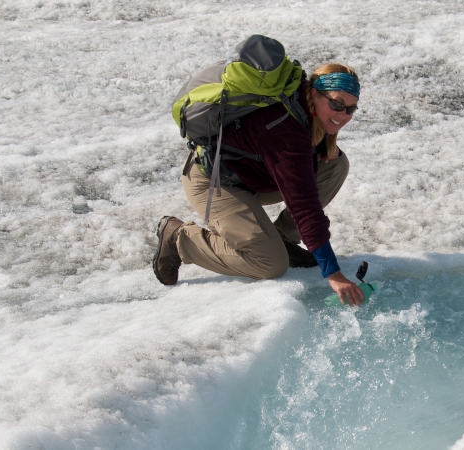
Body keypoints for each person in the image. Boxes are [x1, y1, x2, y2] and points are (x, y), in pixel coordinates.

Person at [153, 63, 365, 306]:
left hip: (252, 176)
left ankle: (282, 237)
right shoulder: (286, 131)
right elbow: (304, 206)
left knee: (336, 164)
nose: (343, 115)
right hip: (215, 183)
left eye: (350, 109)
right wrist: (333, 273)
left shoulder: (305, 109)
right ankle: (180, 238)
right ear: (314, 93)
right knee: (270, 263)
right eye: (336, 105)